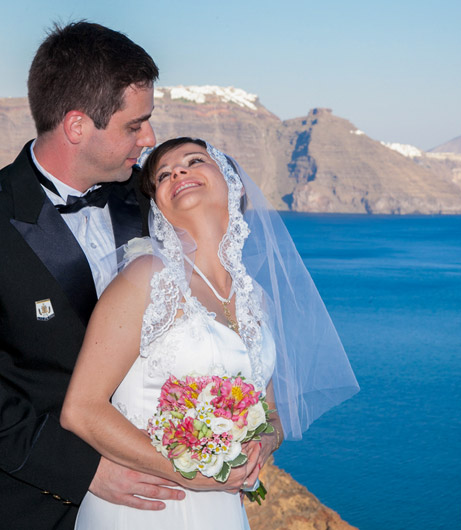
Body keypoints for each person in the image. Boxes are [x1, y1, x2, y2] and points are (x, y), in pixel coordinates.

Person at [0, 22, 189, 529]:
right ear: (77, 126)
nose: (150, 139)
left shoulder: (153, 203)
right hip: (29, 508)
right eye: (135, 125)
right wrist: (84, 470)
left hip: (156, 505)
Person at [60, 138, 359, 528]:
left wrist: (265, 442)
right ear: (159, 207)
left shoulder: (255, 299)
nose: (177, 173)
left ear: (233, 185)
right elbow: (81, 410)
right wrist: (188, 472)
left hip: (221, 508)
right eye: (163, 175)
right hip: (145, 507)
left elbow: (267, 411)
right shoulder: (147, 277)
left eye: (193, 161)